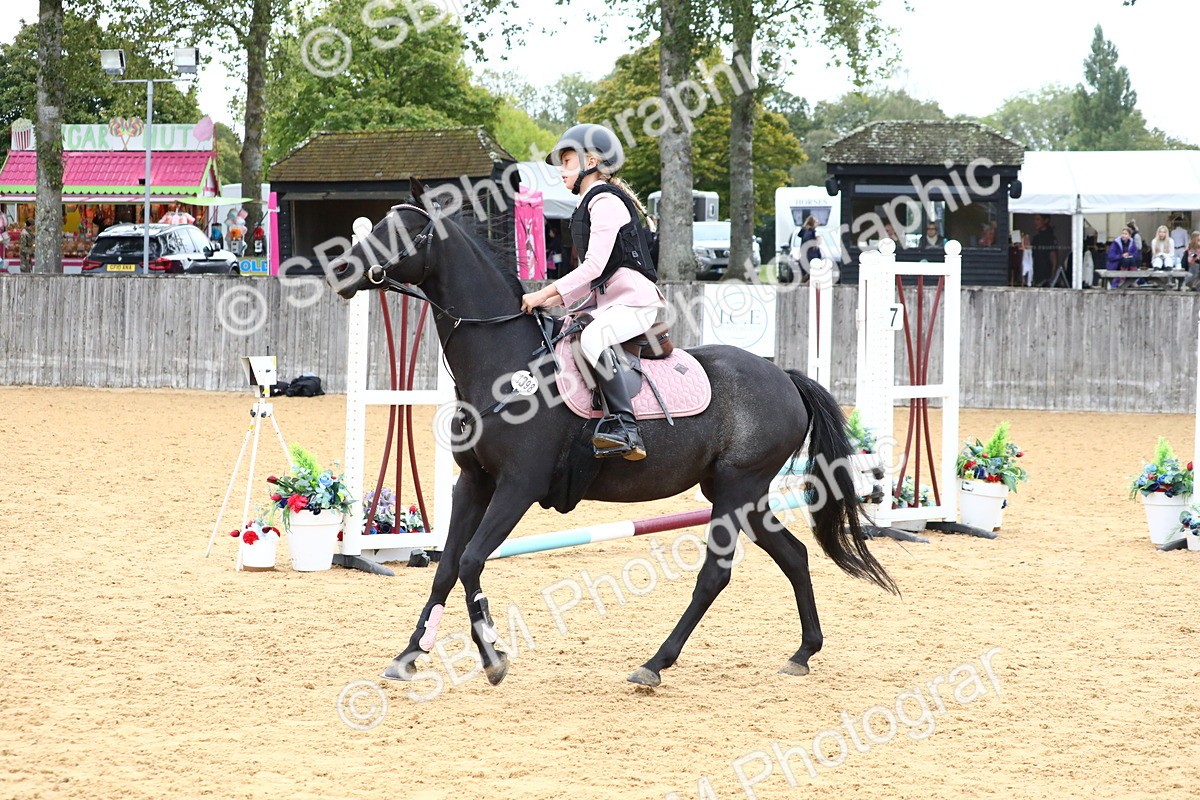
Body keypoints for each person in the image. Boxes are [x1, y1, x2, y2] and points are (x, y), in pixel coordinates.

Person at [521, 123, 664, 461]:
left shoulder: (604, 201)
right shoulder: (587, 204)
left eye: (567, 161)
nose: (561, 170)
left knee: (591, 339)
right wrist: (556, 301)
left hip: (637, 303)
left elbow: (594, 266)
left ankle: (626, 428)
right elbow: (591, 280)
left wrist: (542, 294)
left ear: (592, 160)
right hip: (612, 302)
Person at [1030, 214, 1058, 285]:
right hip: (1036, 275)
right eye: (1034, 220)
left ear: (1046, 220)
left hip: (1046, 277)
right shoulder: (1035, 238)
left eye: (1038, 219)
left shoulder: (1050, 238)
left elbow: (1054, 259)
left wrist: (1052, 277)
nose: (1035, 222)